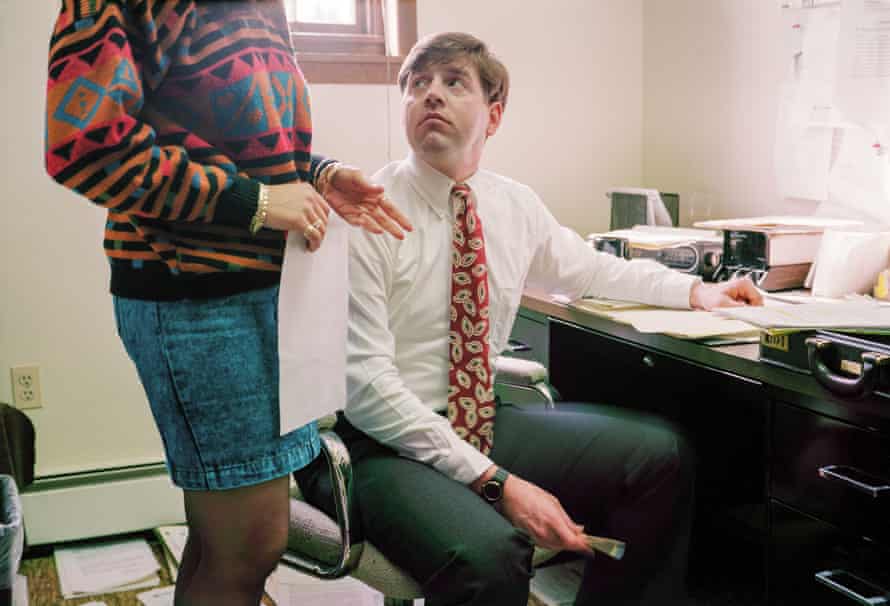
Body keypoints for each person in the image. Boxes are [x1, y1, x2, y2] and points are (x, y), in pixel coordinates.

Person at [295, 32, 763, 606]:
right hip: (377, 443)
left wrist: (697, 291)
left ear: (493, 117)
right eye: (417, 86)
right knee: (492, 557)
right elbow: (367, 390)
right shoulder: (370, 211)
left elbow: (590, 271)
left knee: (659, 457)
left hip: (478, 419)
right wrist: (497, 483)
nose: (431, 96)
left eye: (452, 82)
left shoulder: (511, 205)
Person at [44, 2, 411, 605]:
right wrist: (257, 204)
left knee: (225, 540)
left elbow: (233, 144)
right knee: (250, 541)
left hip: (262, 293)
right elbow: (84, 148)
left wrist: (316, 174)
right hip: (192, 299)